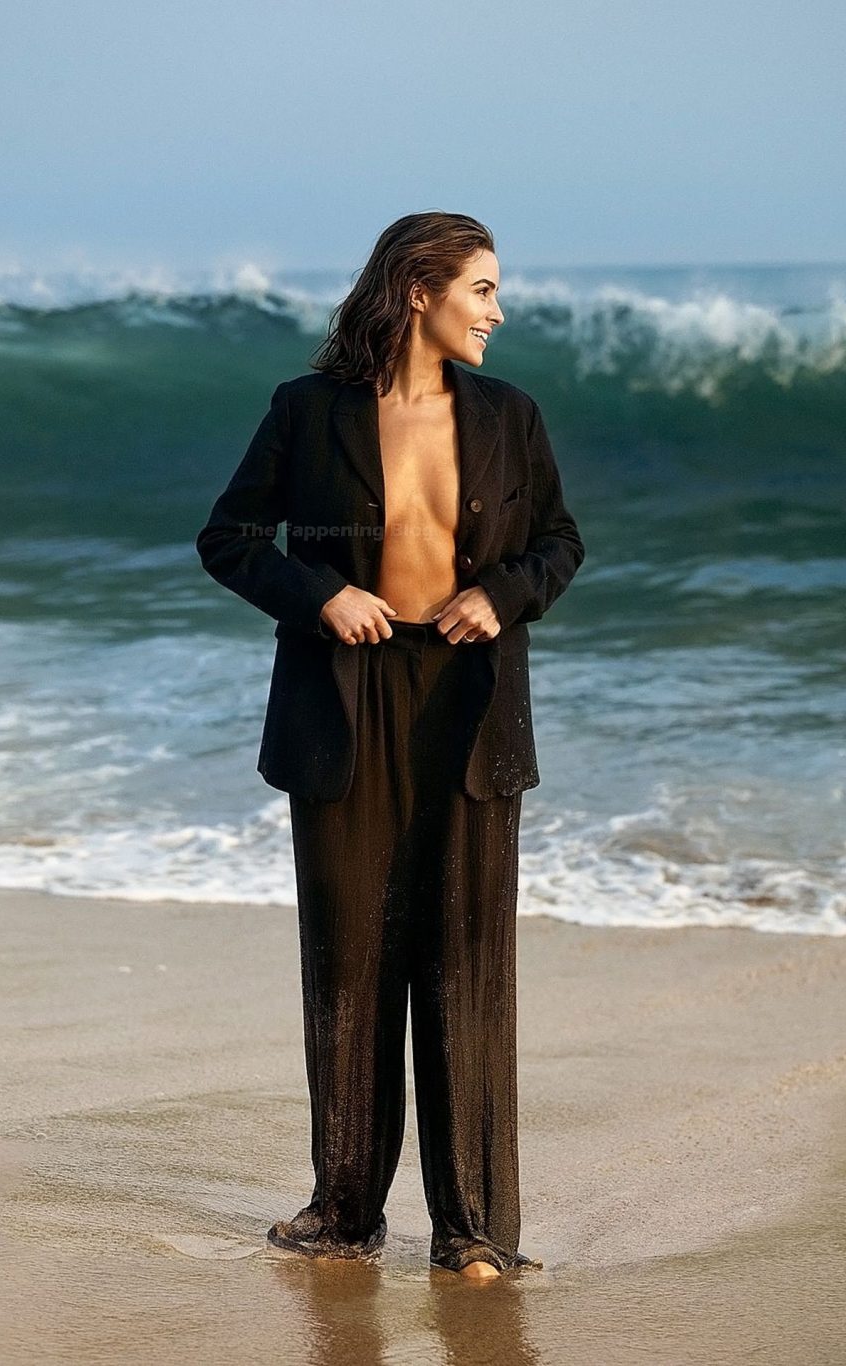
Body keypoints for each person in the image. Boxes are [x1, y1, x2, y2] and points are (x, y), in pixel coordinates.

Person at [195, 211, 585, 1278]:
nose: (497, 311)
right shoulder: (307, 409)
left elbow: (559, 542)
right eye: (482, 289)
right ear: (419, 290)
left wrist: (502, 594)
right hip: (343, 697)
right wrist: (319, 595)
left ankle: (473, 1228)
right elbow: (229, 538)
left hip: (468, 699)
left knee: (467, 967)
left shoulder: (508, 415)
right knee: (350, 960)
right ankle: (344, 1211)